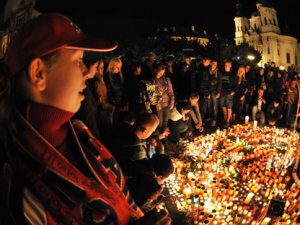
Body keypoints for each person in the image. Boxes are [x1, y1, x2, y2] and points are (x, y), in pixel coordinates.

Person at [0, 13, 171, 225]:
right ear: (38, 73)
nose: (87, 73)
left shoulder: (80, 133)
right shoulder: (17, 193)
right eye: (78, 61)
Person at [73, 51, 102, 139]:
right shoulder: (84, 90)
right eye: (96, 67)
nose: (97, 70)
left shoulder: (87, 86)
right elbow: (88, 120)